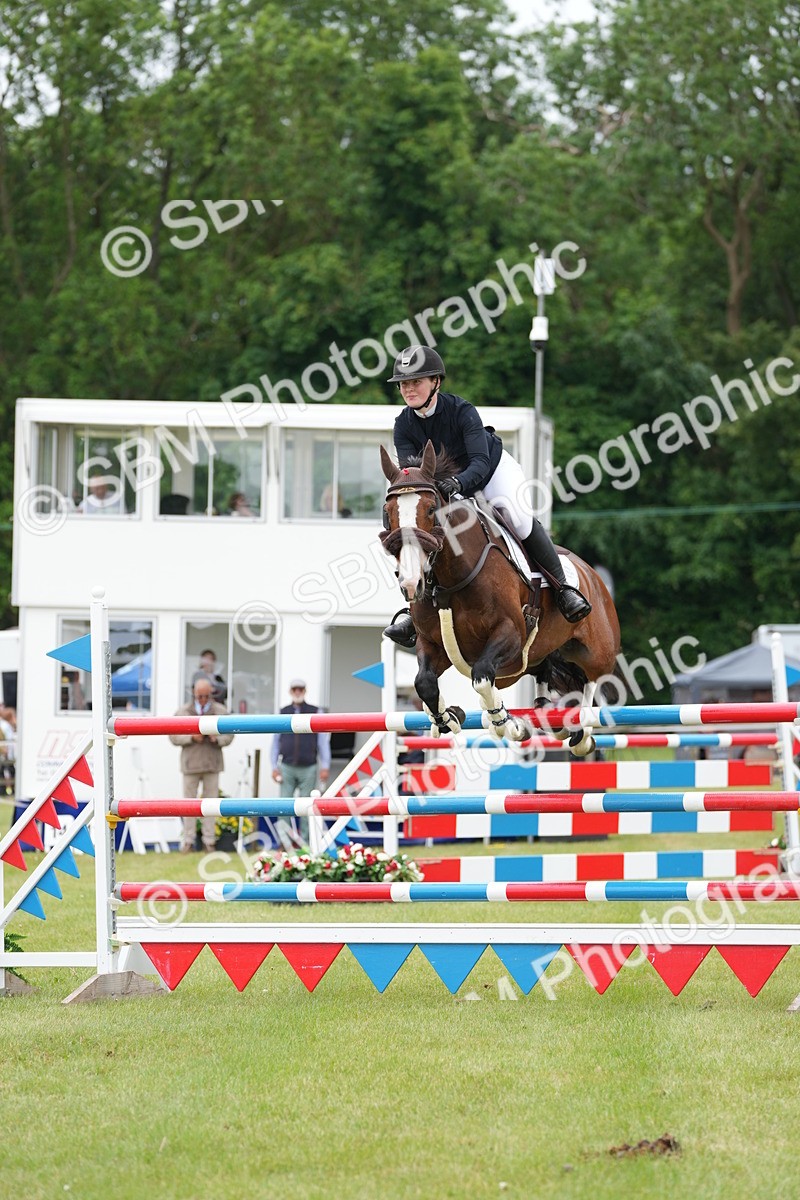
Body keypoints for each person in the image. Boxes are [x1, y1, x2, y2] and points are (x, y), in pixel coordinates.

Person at [382, 345, 592, 648]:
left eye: (416, 382)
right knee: (416, 532)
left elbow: (479, 462)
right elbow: (411, 474)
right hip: (444, 490)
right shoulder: (403, 423)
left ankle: (563, 589)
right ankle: (413, 611)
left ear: (436, 383)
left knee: (517, 519)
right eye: (404, 384)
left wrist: (457, 483)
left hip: (491, 473)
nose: (408, 389)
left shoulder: (461, 411)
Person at [169, 679, 234, 853]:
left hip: (212, 763)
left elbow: (230, 736)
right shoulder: (182, 712)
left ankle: (209, 841)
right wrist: (191, 737)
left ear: (211, 694)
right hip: (191, 764)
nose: (203, 700)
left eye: (206, 696)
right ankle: (188, 841)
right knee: (189, 805)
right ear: (193, 694)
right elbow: (173, 736)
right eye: (200, 696)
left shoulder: (221, 711)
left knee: (211, 804)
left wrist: (216, 739)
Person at [271, 679, 331, 796]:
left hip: (309, 766)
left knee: (306, 807)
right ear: (290, 691)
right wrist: (274, 767)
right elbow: (276, 742)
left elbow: (323, 742)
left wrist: (325, 766)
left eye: (300, 689)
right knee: (284, 807)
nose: (297, 692)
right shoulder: (282, 712)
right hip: (287, 766)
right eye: (294, 689)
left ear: (305, 691)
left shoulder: (316, 712)